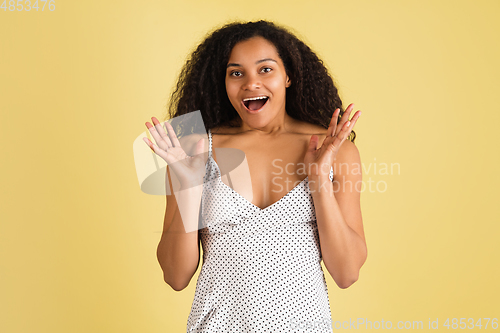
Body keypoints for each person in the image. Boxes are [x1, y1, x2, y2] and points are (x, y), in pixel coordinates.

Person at [143, 20, 367, 332]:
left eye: (265, 69)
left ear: (288, 76)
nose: (251, 83)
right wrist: (189, 187)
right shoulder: (194, 150)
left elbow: (347, 273)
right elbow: (175, 276)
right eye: (237, 73)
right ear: (222, 81)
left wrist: (318, 182)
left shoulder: (335, 152)